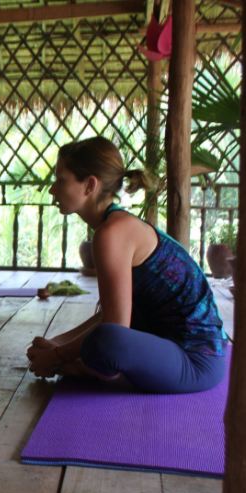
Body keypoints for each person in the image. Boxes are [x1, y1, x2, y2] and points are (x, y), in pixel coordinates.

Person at [26, 136, 227, 393]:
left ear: (89, 185)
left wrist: (56, 356)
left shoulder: (113, 233)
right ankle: (84, 366)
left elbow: (115, 327)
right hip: (167, 348)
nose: (52, 190)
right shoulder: (114, 225)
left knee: (107, 341)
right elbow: (109, 316)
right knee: (100, 340)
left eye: (60, 180)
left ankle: (85, 368)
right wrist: (56, 343)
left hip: (196, 361)